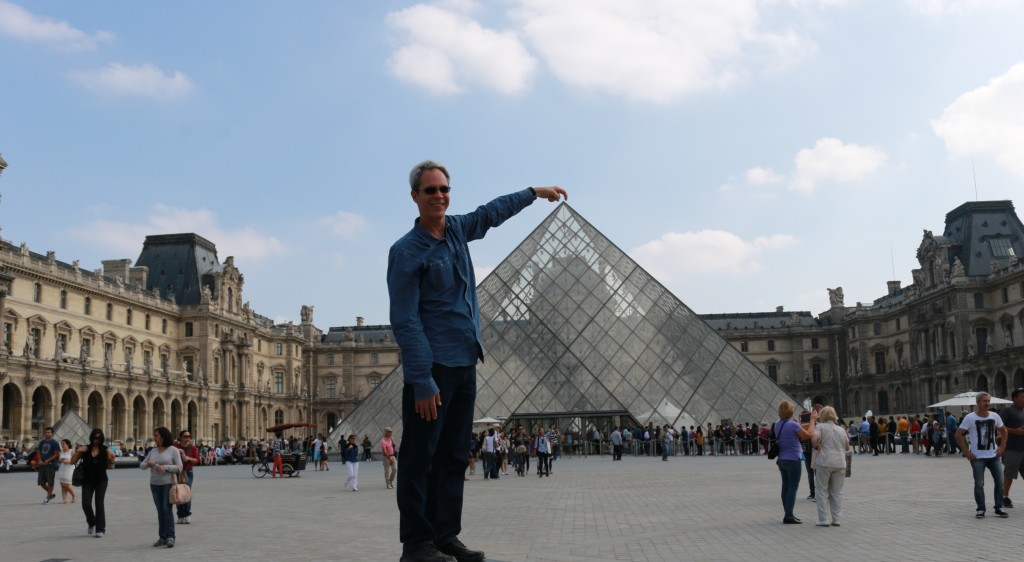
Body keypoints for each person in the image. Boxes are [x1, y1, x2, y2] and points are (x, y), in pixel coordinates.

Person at [388, 159, 566, 562]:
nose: (439, 196)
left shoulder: (457, 231)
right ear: (415, 196)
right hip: (432, 369)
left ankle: (446, 535)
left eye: (444, 189)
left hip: (465, 363)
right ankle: (417, 544)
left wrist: (534, 193)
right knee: (420, 459)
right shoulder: (406, 251)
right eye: (430, 190)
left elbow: (491, 213)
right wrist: (421, 378)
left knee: (452, 456)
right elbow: (405, 319)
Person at [954, 392, 1009, 518]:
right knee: (979, 483)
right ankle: (980, 508)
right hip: (978, 457)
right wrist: (966, 451)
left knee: (1000, 481)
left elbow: (1004, 430)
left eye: (988, 401)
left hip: (994, 455)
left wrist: (1002, 446)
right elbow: (958, 434)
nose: (987, 404)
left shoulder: (995, 416)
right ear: (978, 402)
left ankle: (999, 507)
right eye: (984, 401)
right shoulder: (970, 418)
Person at [141, 426, 183, 547]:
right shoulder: (153, 451)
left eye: (156, 436)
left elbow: (179, 467)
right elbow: (142, 465)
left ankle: (170, 536)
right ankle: (162, 537)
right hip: (154, 484)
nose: (154, 438)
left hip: (167, 483)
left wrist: (165, 467)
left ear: (163, 437)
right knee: (160, 511)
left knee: (166, 509)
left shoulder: (173, 450)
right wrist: (148, 464)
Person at [775, 401, 815, 524]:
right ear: (790, 411)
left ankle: (788, 513)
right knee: (793, 487)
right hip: (793, 459)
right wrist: (812, 420)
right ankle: (788, 516)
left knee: (785, 486)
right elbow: (808, 435)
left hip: (781, 459)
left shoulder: (777, 423)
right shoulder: (793, 424)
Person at [811, 407, 850, 527]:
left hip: (824, 462)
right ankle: (836, 519)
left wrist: (816, 446)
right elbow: (847, 447)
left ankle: (823, 519)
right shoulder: (841, 429)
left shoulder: (820, 427)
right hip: (840, 463)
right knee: (837, 492)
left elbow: (814, 439)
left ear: (822, 416)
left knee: (822, 491)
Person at [72, 429, 115, 537]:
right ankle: (91, 522)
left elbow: (110, 466)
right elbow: (72, 461)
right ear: (91, 438)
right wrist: (78, 451)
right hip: (87, 480)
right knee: (86, 504)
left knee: (99, 504)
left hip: (101, 480)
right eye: (95, 438)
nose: (96, 440)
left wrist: (112, 457)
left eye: (99, 438)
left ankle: (100, 529)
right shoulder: (85, 449)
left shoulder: (105, 450)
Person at [999, 388, 1024, 508]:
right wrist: (1015, 431)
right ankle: (1005, 497)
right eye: (1023, 397)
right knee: (1009, 474)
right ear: (1015, 398)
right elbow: (998, 427)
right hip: (1012, 448)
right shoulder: (1007, 410)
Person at [175, 430, 199, 525]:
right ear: (180, 438)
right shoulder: (175, 447)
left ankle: (187, 514)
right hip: (177, 472)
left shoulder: (192, 448)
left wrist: (189, 458)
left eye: (189, 436)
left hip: (188, 472)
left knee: (187, 493)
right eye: (185, 436)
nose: (188, 438)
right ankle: (180, 515)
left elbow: (197, 460)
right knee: (178, 494)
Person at [37, 426, 60, 504]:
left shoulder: (55, 443)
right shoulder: (42, 442)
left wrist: (48, 460)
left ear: (52, 433)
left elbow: (56, 454)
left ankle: (48, 498)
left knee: (50, 482)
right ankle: (51, 494)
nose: (47, 434)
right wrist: (40, 460)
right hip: (42, 464)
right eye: (46, 432)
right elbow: (38, 451)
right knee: (41, 482)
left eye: (48, 432)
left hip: (51, 465)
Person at [56, 439, 78, 504]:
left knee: (67, 484)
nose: (62, 445)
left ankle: (74, 495)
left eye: (63, 444)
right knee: (62, 484)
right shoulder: (61, 452)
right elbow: (59, 460)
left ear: (68, 444)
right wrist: (60, 460)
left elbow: (74, 460)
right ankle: (64, 499)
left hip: (69, 469)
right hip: (62, 468)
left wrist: (67, 461)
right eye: (61, 444)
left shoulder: (72, 451)